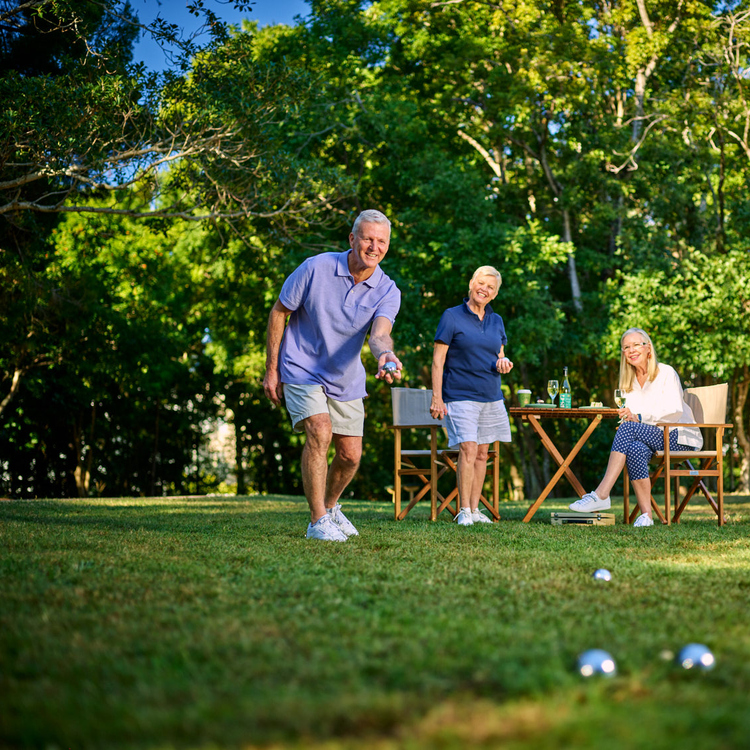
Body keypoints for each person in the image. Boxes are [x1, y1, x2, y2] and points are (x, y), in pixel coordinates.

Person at [263, 210, 402, 542]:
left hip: (346, 376)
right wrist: (271, 370)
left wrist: (386, 355)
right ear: (352, 239)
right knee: (320, 432)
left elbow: (380, 334)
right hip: (301, 365)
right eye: (368, 238)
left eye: (381, 241)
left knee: (350, 455)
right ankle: (317, 521)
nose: (374, 246)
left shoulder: (387, 289)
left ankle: (330, 506)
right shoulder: (316, 268)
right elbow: (279, 312)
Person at [569, 327, 702, 527]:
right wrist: (630, 420)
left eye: (635, 345)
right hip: (653, 438)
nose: (631, 350)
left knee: (629, 430)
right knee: (634, 448)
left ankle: (601, 494)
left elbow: (674, 411)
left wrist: (638, 418)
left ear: (648, 347)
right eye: (626, 347)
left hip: (680, 437)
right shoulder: (628, 382)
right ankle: (646, 516)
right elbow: (632, 419)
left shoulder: (666, 372)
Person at [429, 265, 514, 526]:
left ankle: (476, 510)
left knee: (481, 454)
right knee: (467, 448)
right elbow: (437, 360)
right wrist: (437, 397)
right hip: (459, 394)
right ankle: (463, 510)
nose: (484, 289)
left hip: (490, 395)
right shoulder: (451, 316)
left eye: (491, 287)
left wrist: (505, 362)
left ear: (495, 294)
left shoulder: (496, 320)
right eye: (481, 283)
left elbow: (499, 355)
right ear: (471, 283)